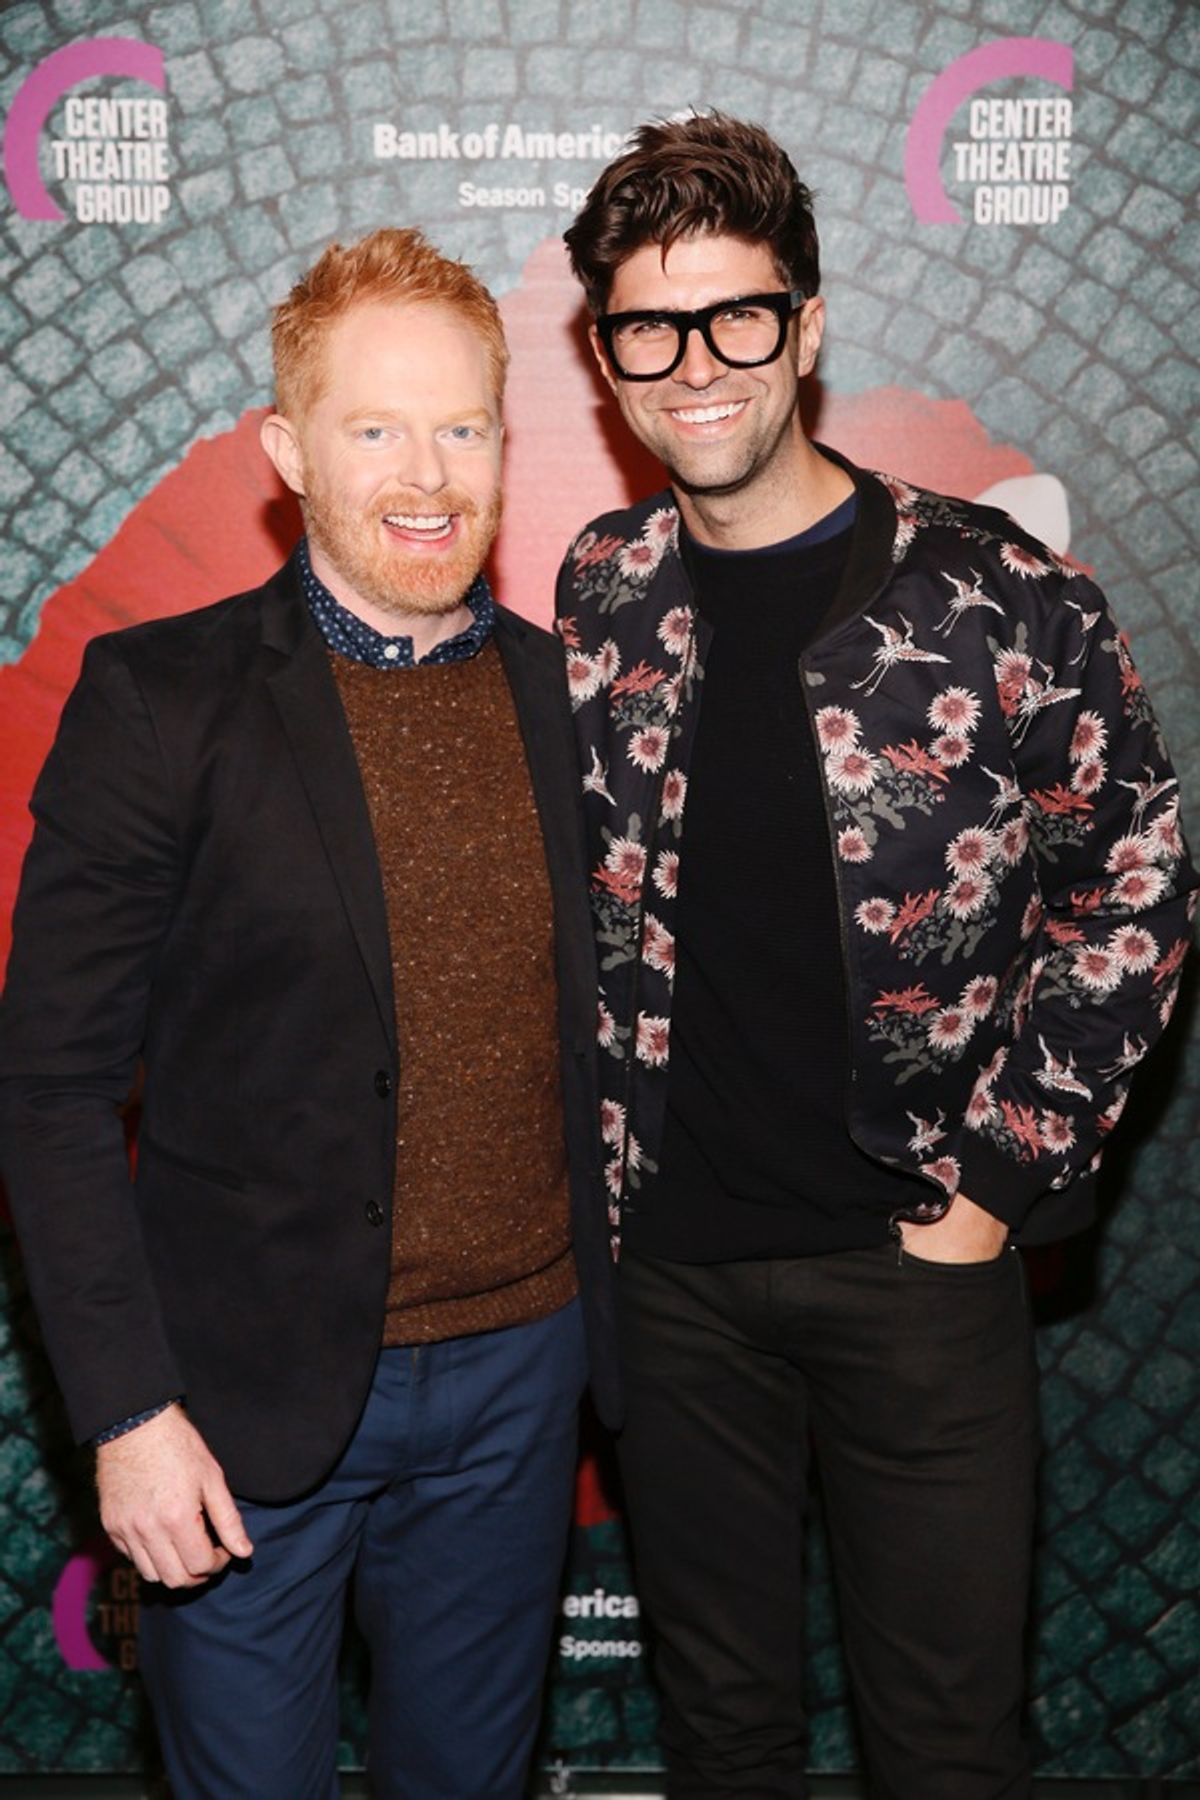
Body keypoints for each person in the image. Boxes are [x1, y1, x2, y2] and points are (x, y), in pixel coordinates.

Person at [556, 112, 1195, 1798]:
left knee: (947, 1747)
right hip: (674, 1282)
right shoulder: (603, 590)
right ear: (604, 354)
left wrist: (997, 1181)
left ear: (810, 327)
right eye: (648, 327)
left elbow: (1135, 885)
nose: (696, 365)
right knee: (726, 1740)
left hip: (918, 1264)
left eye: (738, 316)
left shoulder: (996, 594)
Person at [0, 226, 618, 1800]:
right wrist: (128, 1409)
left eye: (463, 425)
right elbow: (53, 1088)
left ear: (504, 436)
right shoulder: (163, 702)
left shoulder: (573, 703)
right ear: (289, 452)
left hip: (519, 1386)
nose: (428, 472)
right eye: (375, 427)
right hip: (239, 1403)